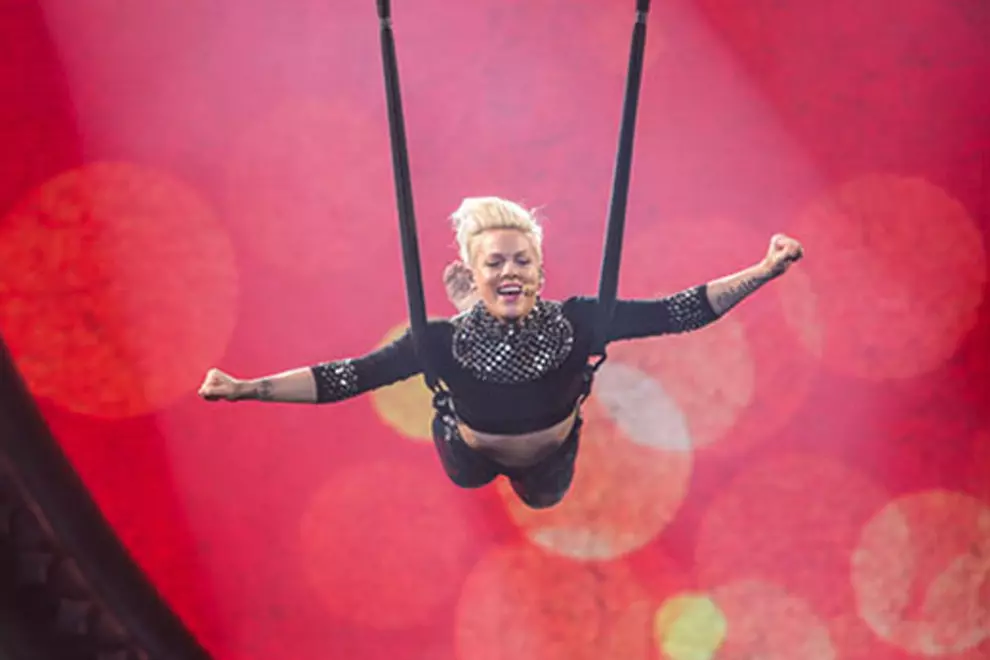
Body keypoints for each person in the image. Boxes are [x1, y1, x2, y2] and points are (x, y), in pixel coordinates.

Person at [199, 197, 804, 509]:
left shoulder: (581, 321)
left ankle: (478, 311)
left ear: (542, 271)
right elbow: (348, 377)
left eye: (522, 262)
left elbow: (680, 311)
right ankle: (471, 314)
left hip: (550, 448)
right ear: (475, 268)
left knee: (545, 496)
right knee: (466, 480)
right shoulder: (435, 343)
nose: (512, 270)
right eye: (496, 264)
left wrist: (764, 270)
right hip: (469, 445)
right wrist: (250, 388)